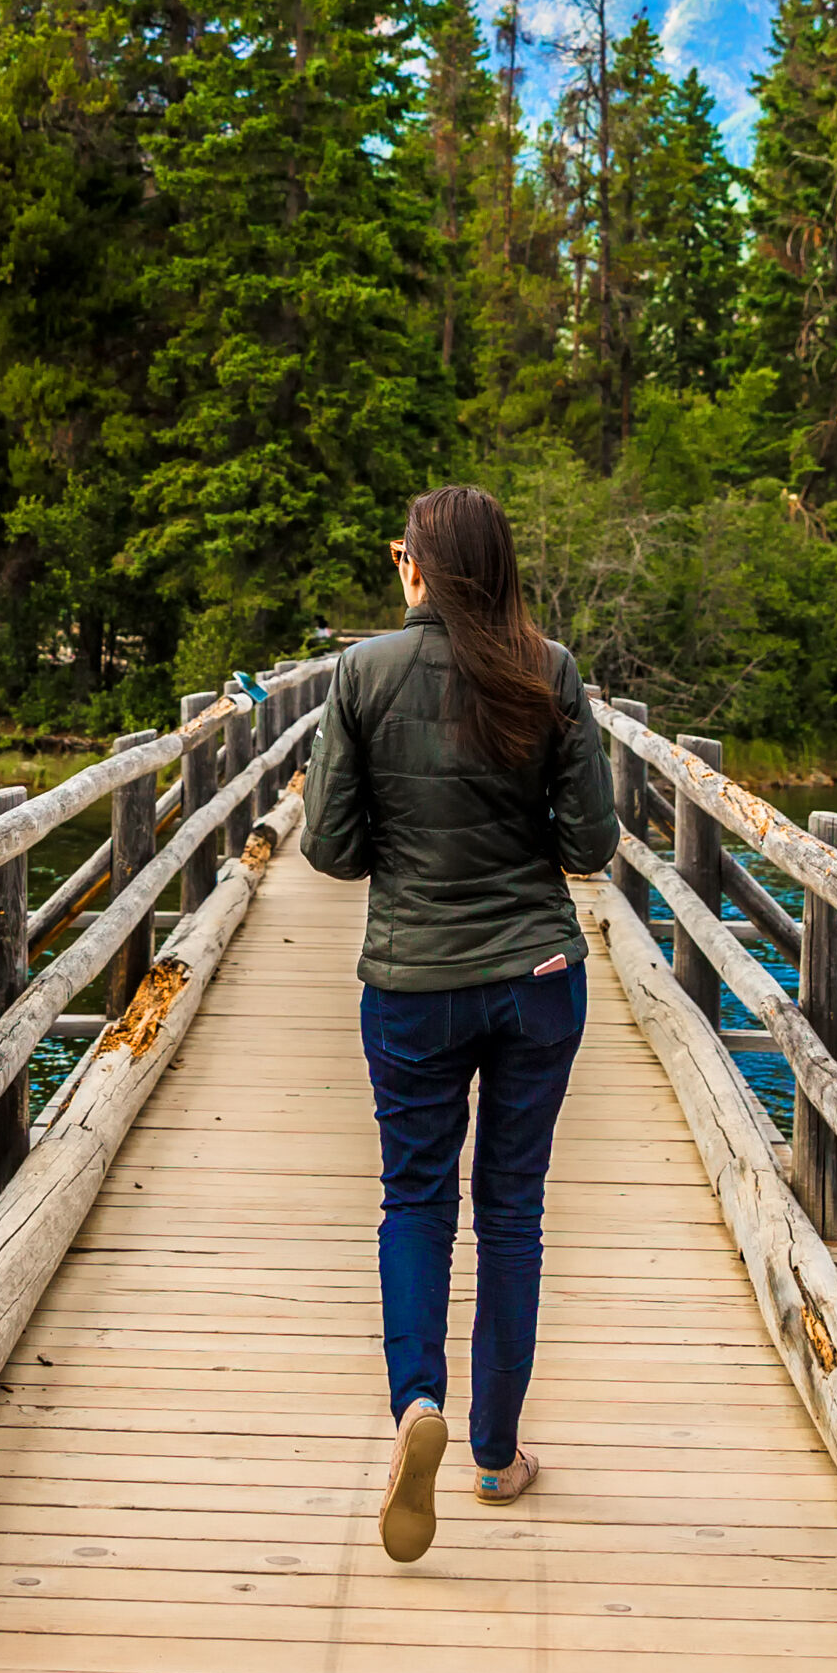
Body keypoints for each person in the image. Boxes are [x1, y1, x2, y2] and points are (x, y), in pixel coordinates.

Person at [299, 483, 619, 1565]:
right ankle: (494, 1456)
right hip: (535, 978)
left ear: (419, 566)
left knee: (416, 1197)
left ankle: (414, 1406)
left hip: (412, 985)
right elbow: (590, 841)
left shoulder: (362, 674)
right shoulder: (551, 670)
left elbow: (331, 851)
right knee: (513, 1211)